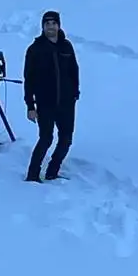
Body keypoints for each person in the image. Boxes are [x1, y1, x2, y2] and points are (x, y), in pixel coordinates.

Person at [23, 10, 80, 182]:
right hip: (45, 103)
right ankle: (32, 175)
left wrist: (74, 93)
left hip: (67, 103)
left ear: (59, 25)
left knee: (66, 139)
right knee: (46, 138)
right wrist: (30, 106)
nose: (51, 26)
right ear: (42, 26)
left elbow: (74, 71)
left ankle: (52, 171)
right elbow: (29, 79)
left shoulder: (66, 46)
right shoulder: (35, 49)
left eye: (53, 23)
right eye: (47, 23)